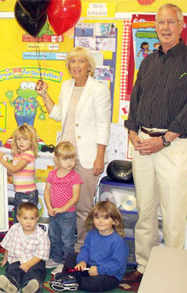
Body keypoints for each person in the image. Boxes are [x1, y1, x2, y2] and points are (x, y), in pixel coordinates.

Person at [123, 3, 187, 283]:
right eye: (161, 22)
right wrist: (133, 131)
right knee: (145, 209)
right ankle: (144, 267)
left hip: (173, 144)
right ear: (155, 26)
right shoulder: (148, 61)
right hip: (143, 142)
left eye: (171, 22)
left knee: (172, 213)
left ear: (182, 25)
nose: (166, 28)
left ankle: (172, 274)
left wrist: (165, 139)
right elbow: (136, 97)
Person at [36, 47, 111, 253]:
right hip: (64, 157)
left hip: (87, 157)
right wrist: (44, 95)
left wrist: (99, 158)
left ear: (89, 66)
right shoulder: (66, 86)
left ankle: (80, 248)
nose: (76, 65)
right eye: (72, 61)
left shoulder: (99, 89)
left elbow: (104, 125)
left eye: (81, 61)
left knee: (83, 206)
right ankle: (60, 247)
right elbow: (59, 114)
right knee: (60, 204)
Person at [50, 201, 128, 292]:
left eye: (105, 218)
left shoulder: (118, 241)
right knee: (72, 256)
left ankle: (73, 281)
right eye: (97, 217)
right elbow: (85, 249)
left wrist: (99, 270)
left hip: (109, 275)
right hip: (90, 267)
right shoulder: (92, 234)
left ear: (114, 221)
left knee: (96, 283)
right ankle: (68, 277)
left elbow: (116, 265)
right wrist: (82, 261)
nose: (100, 221)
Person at [44, 141, 82, 269]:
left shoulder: (74, 177)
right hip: (54, 212)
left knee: (67, 240)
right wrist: (49, 207)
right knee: (54, 237)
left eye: (72, 158)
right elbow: (47, 192)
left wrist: (62, 209)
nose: (70, 162)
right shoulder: (52, 174)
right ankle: (56, 259)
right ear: (57, 159)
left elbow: (75, 197)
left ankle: (68, 262)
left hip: (67, 214)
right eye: (65, 159)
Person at [0, 202, 50, 293]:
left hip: (34, 261)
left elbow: (40, 254)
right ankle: (11, 283)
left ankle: (30, 285)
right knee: (13, 269)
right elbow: (8, 244)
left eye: (32, 218)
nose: (29, 222)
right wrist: (5, 258)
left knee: (35, 271)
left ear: (37, 219)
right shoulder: (14, 228)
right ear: (18, 218)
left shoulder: (41, 235)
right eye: (25, 218)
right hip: (17, 259)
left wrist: (28, 264)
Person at [0, 124, 39, 222]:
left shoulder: (29, 154)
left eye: (25, 139)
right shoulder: (18, 155)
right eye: (18, 139)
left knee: (27, 220)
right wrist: (3, 161)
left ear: (31, 141)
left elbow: (15, 169)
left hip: (28, 193)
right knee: (18, 219)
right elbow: (11, 172)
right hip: (19, 193)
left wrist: (2, 160)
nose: (21, 142)